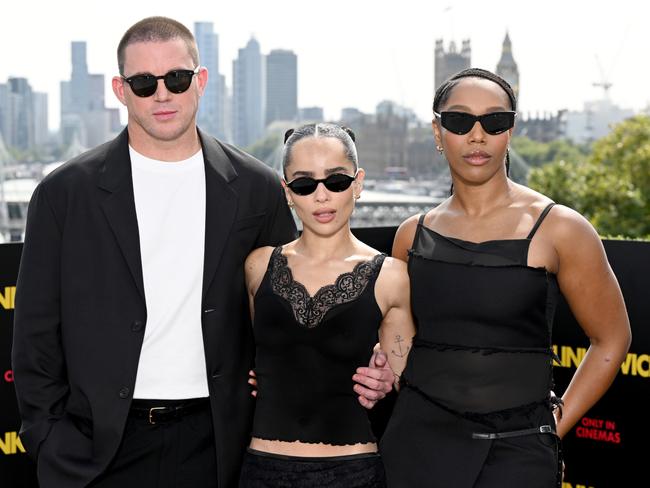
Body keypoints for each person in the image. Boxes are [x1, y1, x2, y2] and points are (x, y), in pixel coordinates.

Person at [11, 17, 391, 488]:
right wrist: (51, 441)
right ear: (120, 89)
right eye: (144, 83)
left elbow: (295, 311)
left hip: (220, 447)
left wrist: (376, 366)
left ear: (201, 81)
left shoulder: (254, 188)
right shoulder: (64, 195)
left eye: (176, 78)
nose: (162, 95)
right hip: (98, 452)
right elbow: (34, 336)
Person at [379, 68, 632, 487]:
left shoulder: (562, 229)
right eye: (460, 121)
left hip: (518, 452)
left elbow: (612, 339)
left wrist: (552, 428)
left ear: (510, 131)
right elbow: (400, 339)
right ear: (438, 132)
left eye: (494, 121)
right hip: (415, 446)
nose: (477, 136)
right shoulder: (411, 235)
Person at [239, 123, 416, 488]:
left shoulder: (392, 277)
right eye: (305, 184)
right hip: (262, 471)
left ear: (359, 183)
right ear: (287, 191)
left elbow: (409, 390)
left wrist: (386, 380)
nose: (322, 196)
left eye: (336, 181)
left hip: (355, 473)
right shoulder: (257, 267)